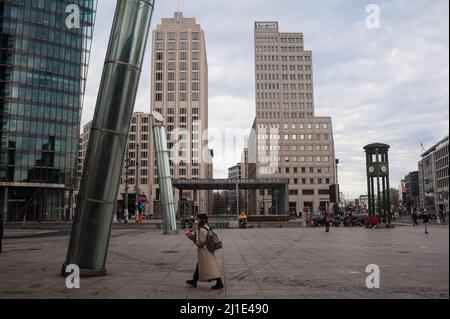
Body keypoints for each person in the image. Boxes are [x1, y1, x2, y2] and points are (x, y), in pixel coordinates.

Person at [187, 214, 224, 290]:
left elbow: (201, 242)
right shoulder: (207, 226)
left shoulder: (202, 229)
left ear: (202, 220)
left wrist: (194, 241)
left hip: (205, 251)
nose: (197, 220)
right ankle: (194, 280)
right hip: (208, 250)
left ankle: (219, 282)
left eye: (198, 219)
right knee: (200, 265)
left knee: (211, 267)